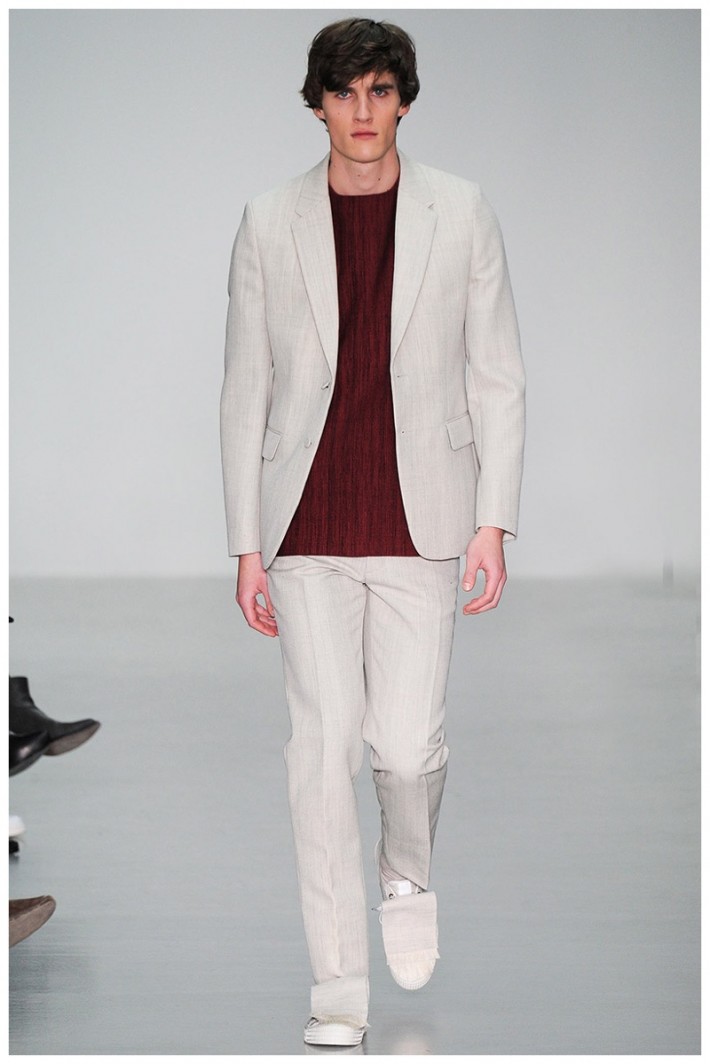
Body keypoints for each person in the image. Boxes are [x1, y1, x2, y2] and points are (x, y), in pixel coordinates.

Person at [220, 17, 525, 1047]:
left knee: (404, 748)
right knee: (319, 755)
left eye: (380, 90)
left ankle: (406, 869)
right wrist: (244, 542)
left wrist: (492, 519)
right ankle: (338, 988)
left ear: (403, 98)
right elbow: (245, 386)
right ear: (316, 104)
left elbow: (497, 373)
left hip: (422, 518)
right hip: (305, 520)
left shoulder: (460, 210)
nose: (362, 110)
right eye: (344, 92)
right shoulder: (267, 220)